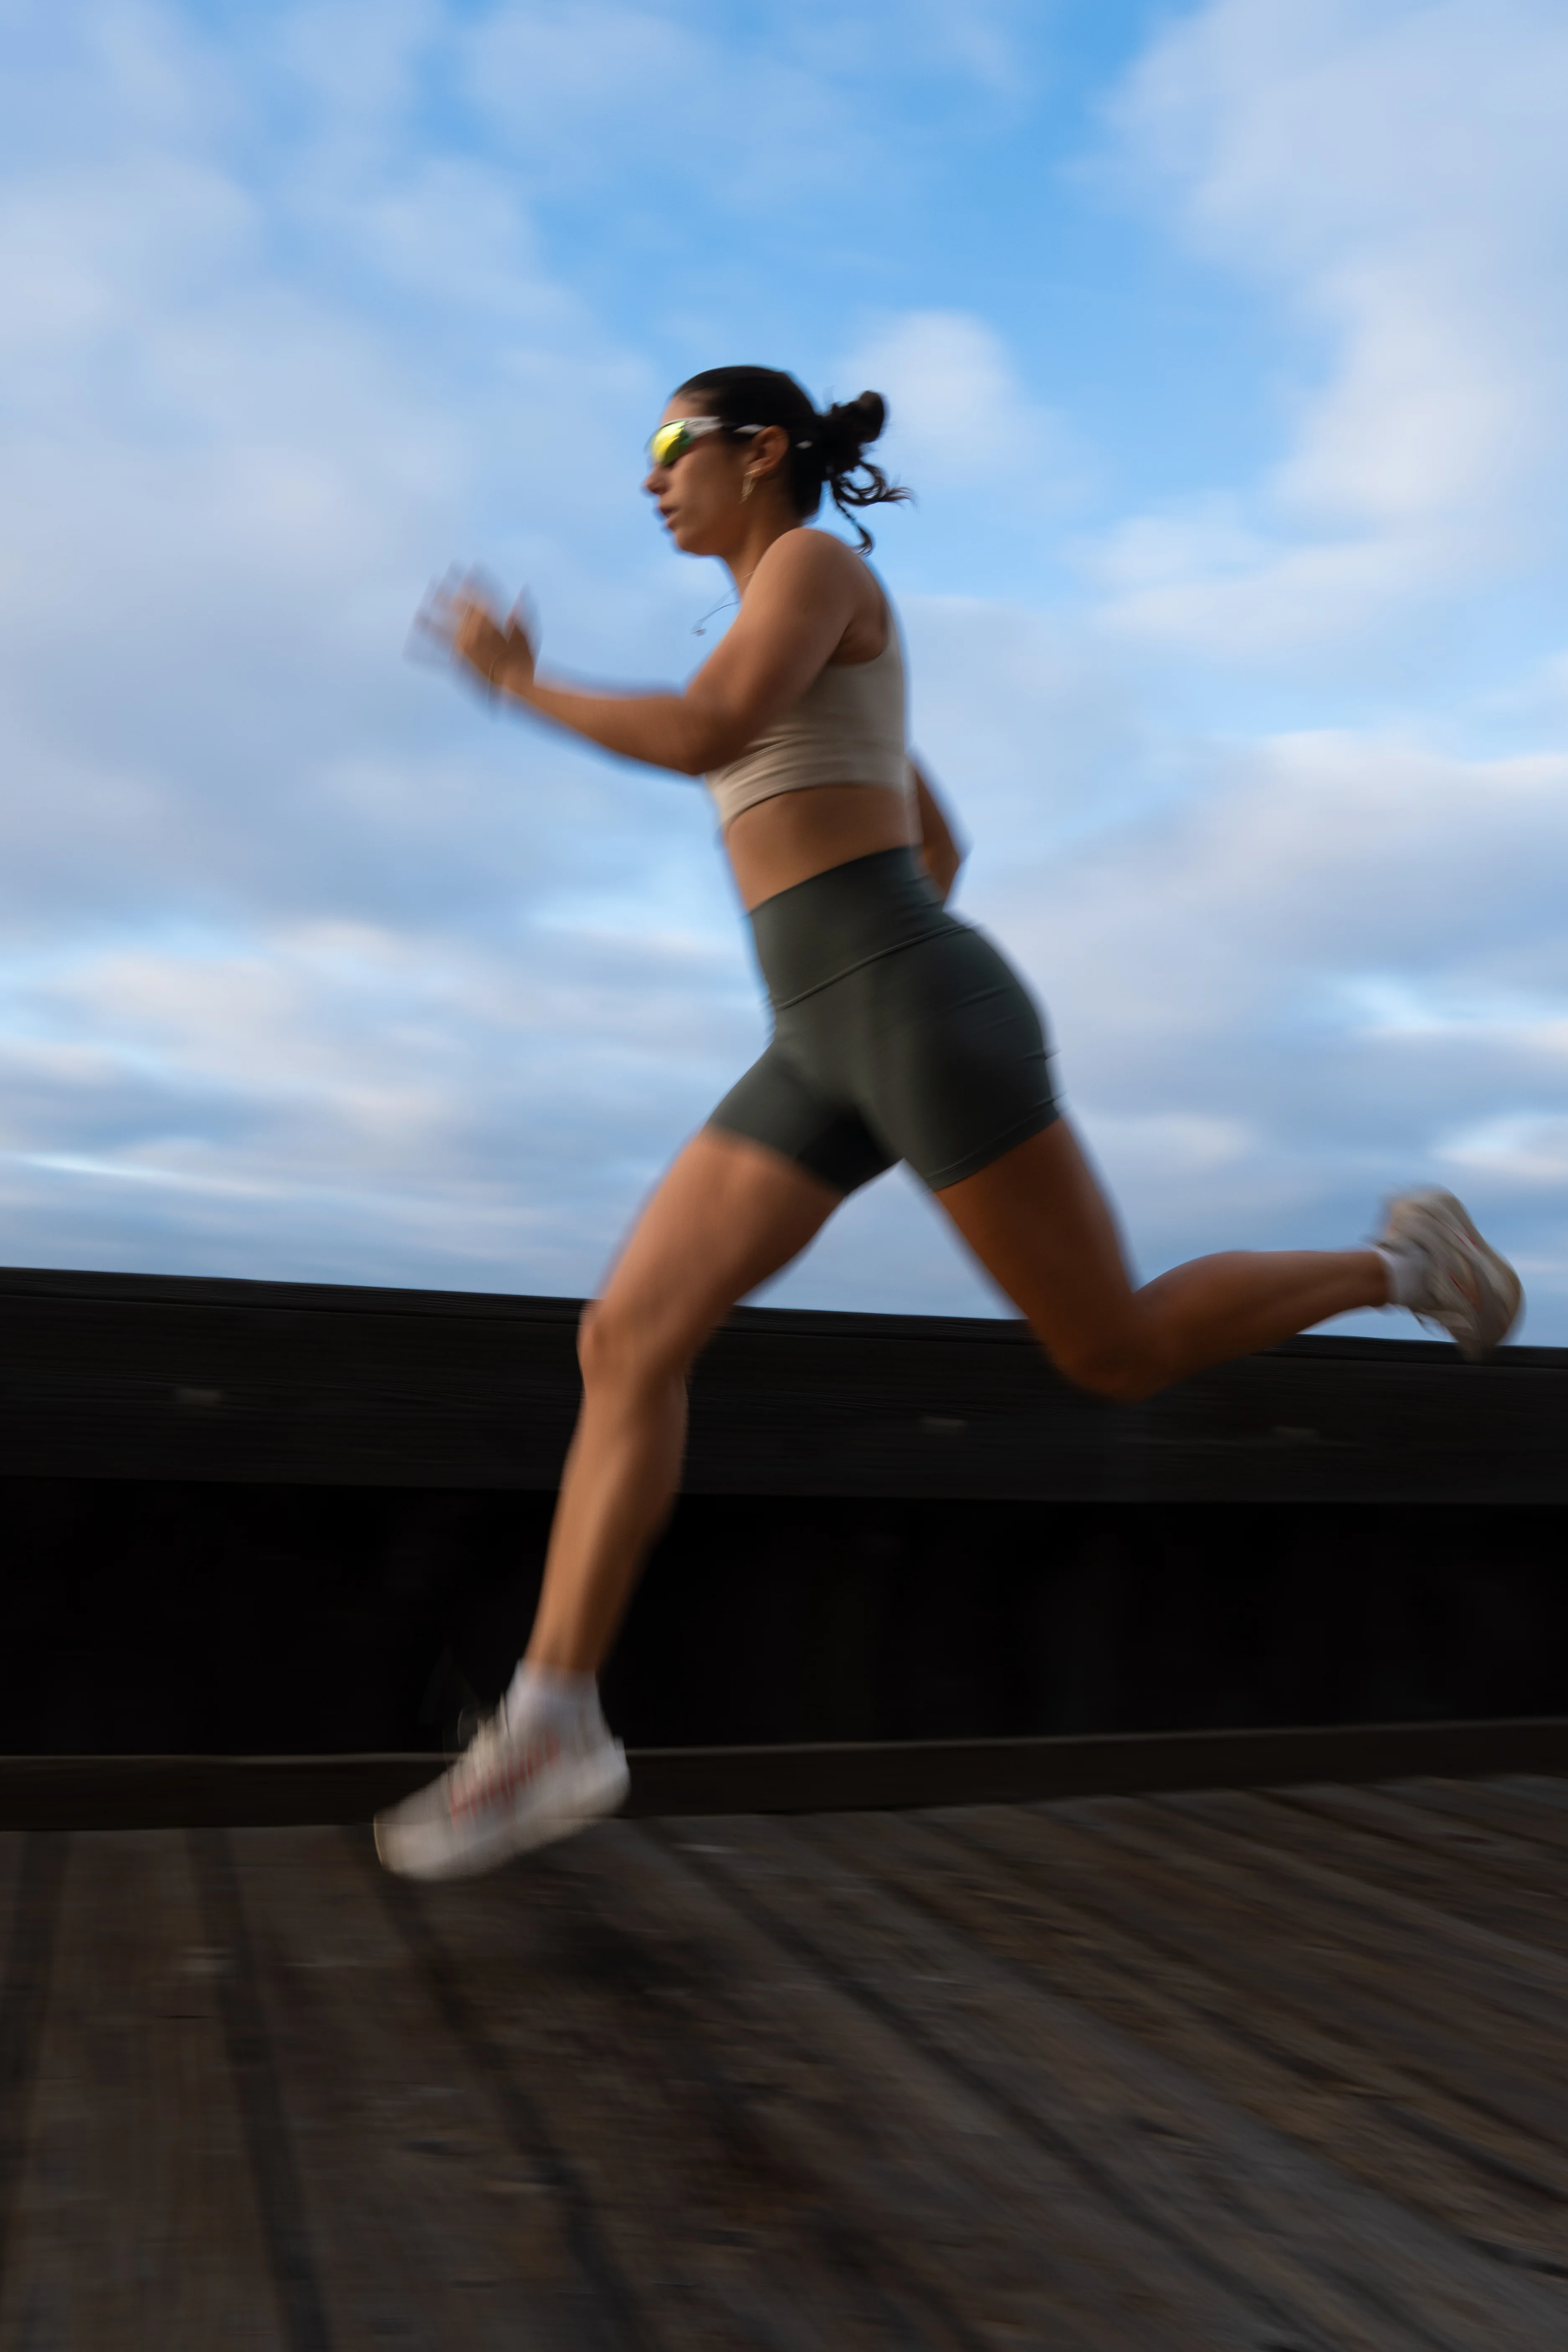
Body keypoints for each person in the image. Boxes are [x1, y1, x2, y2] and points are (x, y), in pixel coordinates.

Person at [375, 364, 1522, 1881]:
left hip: (903, 1014)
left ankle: (1400, 1260)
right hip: (828, 1038)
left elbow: (712, 727)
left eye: (671, 446)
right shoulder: (783, 618)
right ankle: (553, 1720)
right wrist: (858, 983)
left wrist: (515, 681)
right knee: (626, 1336)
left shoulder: (816, 566)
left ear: (760, 451)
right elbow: (938, 832)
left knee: (1108, 1347)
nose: (650, 477)